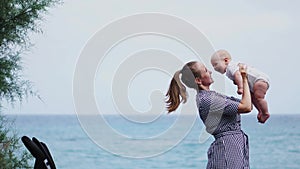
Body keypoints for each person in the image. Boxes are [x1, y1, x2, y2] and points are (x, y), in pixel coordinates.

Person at [165, 61, 252, 169]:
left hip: (233, 148)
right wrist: (244, 78)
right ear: (198, 80)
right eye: (206, 70)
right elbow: (247, 106)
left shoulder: (211, 96)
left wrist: (241, 82)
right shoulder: (207, 100)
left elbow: (246, 103)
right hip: (228, 151)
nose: (210, 72)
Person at [211, 49, 270, 123]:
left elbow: (237, 75)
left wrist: (240, 87)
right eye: (213, 66)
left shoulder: (230, 66)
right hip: (254, 83)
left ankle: (265, 113)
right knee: (252, 97)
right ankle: (260, 111)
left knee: (259, 97)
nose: (215, 68)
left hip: (259, 80)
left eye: (216, 64)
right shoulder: (229, 70)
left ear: (226, 60)